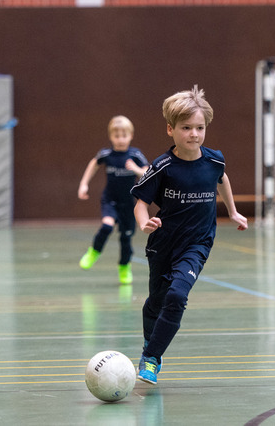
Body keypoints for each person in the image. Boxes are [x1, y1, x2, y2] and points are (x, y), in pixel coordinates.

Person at [131, 85, 248, 384]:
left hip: (197, 243)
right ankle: (150, 343)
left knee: (177, 295)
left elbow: (222, 178)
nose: (194, 134)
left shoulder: (214, 160)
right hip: (163, 244)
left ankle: (151, 358)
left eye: (200, 128)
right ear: (170, 129)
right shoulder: (162, 167)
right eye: (186, 128)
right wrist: (144, 223)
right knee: (156, 301)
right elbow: (141, 203)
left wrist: (233, 211)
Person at [78, 115, 149, 285]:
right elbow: (93, 164)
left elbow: (147, 172)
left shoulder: (135, 155)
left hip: (129, 204)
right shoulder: (106, 154)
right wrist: (84, 184)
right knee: (107, 226)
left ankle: (124, 267)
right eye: (117, 136)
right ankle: (94, 251)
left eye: (124, 136)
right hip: (110, 200)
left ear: (131, 136)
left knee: (126, 238)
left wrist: (136, 169)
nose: (120, 139)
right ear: (111, 137)